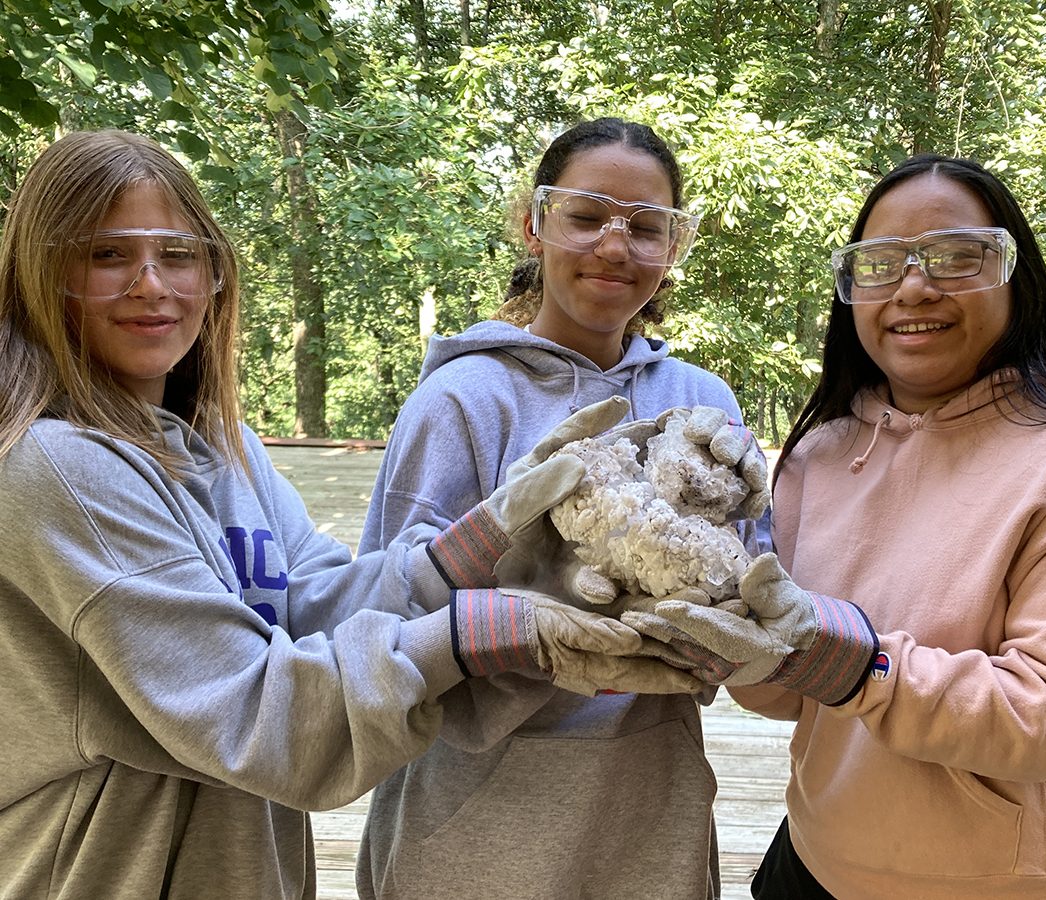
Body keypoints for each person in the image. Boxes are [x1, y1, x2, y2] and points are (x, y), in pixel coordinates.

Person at [0, 129, 702, 899]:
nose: (151, 284)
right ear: (41, 273)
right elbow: (260, 720)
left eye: (178, 253)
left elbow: (310, 608)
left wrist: (475, 546)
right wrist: (478, 632)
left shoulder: (221, 449)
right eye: (106, 255)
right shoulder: (58, 467)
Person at [623, 154, 1046, 898]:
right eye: (881, 264)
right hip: (813, 860)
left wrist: (850, 661)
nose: (915, 286)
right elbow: (785, 694)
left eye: (959, 257)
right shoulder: (820, 453)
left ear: (1015, 279)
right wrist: (722, 626)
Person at [355, 117, 771, 899]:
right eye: (586, 217)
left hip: (651, 794)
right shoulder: (460, 399)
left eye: (647, 227)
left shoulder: (700, 401)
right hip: (476, 807)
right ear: (535, 224)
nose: (615, 247)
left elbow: (753, 584)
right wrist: (528, 608)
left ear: (674, 246)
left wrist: (743, 626)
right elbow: (379, 613)